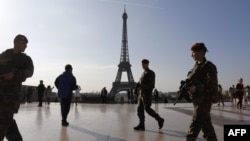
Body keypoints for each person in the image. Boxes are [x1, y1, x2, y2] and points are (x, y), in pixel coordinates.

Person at [0, 34, 34, 141]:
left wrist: (14, 75)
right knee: (8, 123)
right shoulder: (4, 55)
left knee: (3, 121)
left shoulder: (25, 59)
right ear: (17, 42)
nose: (26, 46)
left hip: (10, 98)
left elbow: (29, 72)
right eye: (24, 43)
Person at [185, 43, 218, 141]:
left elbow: (212, 85)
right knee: (207, 127)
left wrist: (197, 88)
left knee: (194, 127)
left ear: (200, 52)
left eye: (193, 53)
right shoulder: (195, 67)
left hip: (204, 101)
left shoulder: (209, 67)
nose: (192, 55)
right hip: (197, 100)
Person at [133, 59, 164, 131]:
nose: (142, 65)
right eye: (142, 64)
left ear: (147, 64)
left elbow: (151, 84)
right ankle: (141, 125)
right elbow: (141, 82)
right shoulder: (143, 73)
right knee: (139, 110)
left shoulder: (151, 73)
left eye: (144, 64)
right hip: (141, 94)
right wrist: (137, 86)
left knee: (147, 109)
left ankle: (159, 119)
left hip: (146, 94)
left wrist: (142, 87)